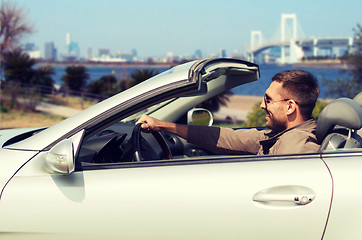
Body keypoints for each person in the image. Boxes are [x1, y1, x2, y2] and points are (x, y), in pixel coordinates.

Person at [137, 70, 320, 155]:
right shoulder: (279, 135)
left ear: (289, 107)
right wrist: (162, 125)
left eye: (268, 100)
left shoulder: (298, 146)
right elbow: (228, 137)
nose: (262, 106)